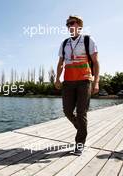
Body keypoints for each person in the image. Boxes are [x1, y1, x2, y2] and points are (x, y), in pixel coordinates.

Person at [54, 15, 100, 156]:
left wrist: (96, 82)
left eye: (72, 23)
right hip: (68, 81)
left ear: (79, 25)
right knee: (67, 111)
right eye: (67, 24)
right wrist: (57, 78)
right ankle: (80, 127)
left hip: (84, 80)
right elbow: (61, 62)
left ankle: (79, 144)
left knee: (81, 113)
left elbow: (96, 62)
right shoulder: (65, 43)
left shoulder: (88, 40)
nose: (69, 26)